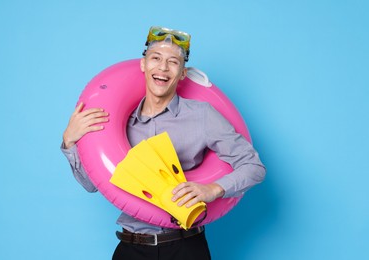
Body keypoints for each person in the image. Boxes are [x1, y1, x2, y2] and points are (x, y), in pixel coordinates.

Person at [61, 26, 266, 260]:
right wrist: (69, 142)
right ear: (143, 65)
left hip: (185, 246)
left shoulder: (202, 115)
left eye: (173, 62)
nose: (163, 68)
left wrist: (212, 189)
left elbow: (254, 167)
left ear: (182, 74)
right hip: (132, 247)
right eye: (155, 58)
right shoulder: (116, 123)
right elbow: (93, 184)